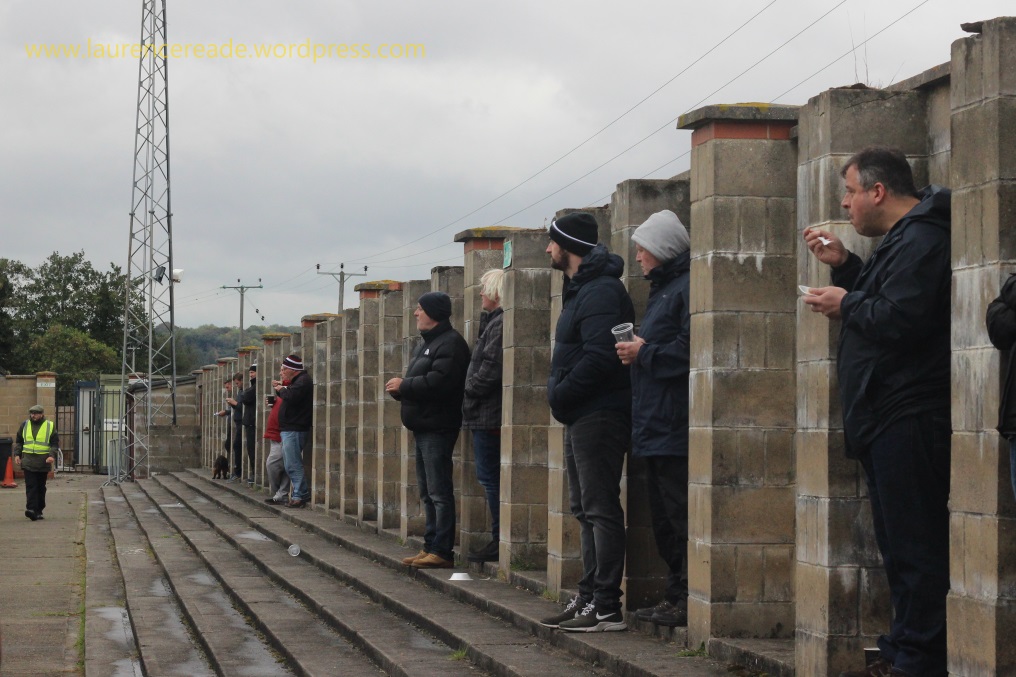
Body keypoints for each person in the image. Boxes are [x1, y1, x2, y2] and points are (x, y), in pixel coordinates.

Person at [803, 146, 951, 677]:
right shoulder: (905, 239)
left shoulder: (925, 238)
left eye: (850, 192)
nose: (845, 204)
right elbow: (886, 299)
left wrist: (845, 302)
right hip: (886, 414)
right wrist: (847, 267)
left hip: (909, 413)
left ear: (878, 191)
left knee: (916, 547)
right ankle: (903, 649)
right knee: (897, 546)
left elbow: (902, 318)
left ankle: (917, 659)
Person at [539, 211, 635, 633]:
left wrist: (562, 392)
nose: (547, 249)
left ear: (568, 246)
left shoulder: (601, 292)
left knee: (599, 507)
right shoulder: (581, 289)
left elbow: (600, 357)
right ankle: (589, 596)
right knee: (583, 508)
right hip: (581, 412)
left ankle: (607, 606)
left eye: (551, 242)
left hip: (599, 412)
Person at [615, 209, 691, 628]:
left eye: (643, 248)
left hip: (672, 425)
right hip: (654, 423)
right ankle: (675, 594)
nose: (639, 257)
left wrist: (644, 353)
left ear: (662, 249)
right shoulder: (663, 289)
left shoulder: (684, 288)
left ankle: (684, 598)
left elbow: (690, 349)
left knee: (678, 517)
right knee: (663, 520)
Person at [386, 291, 470, 570]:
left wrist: (405, 385)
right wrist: (401, 391)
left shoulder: (451, 343)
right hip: (423, 426)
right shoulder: (427, 343)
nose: (415, 313)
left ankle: (442, 550)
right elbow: (422, 381)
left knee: (439, 491)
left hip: (438, 427)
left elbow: (440, 382)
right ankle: (430, 545)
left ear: (433, 312)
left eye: (420, 309)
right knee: (426, 491)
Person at [462, 268, 505, 564]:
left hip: (488, 414)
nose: (480, 293)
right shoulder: (492, 322)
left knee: (491, 479)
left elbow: (491, 367)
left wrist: (470, 390)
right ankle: (497, 537)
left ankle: (499, 538)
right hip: (484, 413)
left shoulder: (499, 324)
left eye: (484, 288)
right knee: (488, 478)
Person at [273, 355, 313, 508]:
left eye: (284, 370)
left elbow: (291, 396)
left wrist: (281, 390)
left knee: (292, 463)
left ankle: (300, 494)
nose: (281, 373)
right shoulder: (297, 382)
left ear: (293, 370)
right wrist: (282, 389)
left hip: (295, 428)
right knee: (290, 462)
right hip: (290, 428)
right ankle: (299, 493)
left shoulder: (302, 381)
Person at [13, 404, 58, 521]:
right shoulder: (25, 425)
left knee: (40, 487)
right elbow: (19, 441)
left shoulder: (49, 426)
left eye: (36, 413)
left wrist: (51, 456)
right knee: (31, 486)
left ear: (42, 414)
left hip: (43, 462)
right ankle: (31, 509)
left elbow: (54, 444)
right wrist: (17, 454)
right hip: (28, 461)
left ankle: (39, 510)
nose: (33, 415)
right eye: (32, 413)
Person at [262, 378, 291, 505]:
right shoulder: (282, 389)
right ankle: (281, 494)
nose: (281, 373)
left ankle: (280, 492)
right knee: (284, 466)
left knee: (272, 464)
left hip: (282, 434)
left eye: (283, 370)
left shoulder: (291, 389)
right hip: (275, 434)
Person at [239, 364, 258, 486]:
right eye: (250, 373)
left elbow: (245, 397)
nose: (251, 375)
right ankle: (253, 473)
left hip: (252, 422)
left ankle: (255, 473)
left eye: (253, 372)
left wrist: (244, 393)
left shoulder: (255, 387)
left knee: (252, 449)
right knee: (250, 450)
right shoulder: (252, 386)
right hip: (249, 421)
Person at [224, 372, 244, 481]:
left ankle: (238, 471)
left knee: (236, 445)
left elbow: (243, 407)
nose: (237, 385)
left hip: (242, 422)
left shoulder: (243, 392)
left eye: (237, 383)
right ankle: (235, 470)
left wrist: (234, 403)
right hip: (236, 422)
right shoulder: (240, 392)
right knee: (231, 445)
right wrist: (232, 404)